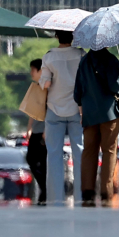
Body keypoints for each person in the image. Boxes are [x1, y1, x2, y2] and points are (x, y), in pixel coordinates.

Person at [74, 47, 119, 205]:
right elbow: (115, 86)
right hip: (109, 113)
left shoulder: (84, 61)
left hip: (89, 114)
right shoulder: (111, 60)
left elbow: (77, 92)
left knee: (89, 151)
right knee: (109, 151)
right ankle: (106, 190)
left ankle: (87, 191)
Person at [39, 30, 84, 205]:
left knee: (54, 154)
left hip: (54, 109)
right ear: (73, 37)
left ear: (57, 36)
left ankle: (55, 198)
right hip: (77, 109)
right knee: (79, 152)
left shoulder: (49, 57)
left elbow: (46, 82)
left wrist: (43, 81)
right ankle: (81, 196)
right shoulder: (81, 55)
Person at [26, 59, 47, 204]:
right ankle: (44, 187)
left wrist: (47, 129)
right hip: (36, 130)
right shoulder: (35, 88)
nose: (31, 73)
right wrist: (29, 128)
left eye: (33, 70)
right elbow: (32, 111)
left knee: (41, 161)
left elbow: (50, 111)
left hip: (44, 131)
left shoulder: (47, 88)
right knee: (32, 159)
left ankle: (45, 189)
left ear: (40, 71)